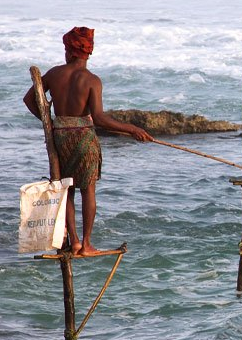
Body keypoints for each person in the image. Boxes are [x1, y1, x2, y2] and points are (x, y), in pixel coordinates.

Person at [23, 26, 154, 256]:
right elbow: (100, 118)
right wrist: (131, 129)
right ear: (87, 53)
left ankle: (73, 241)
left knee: (68, 189)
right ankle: (87, 244)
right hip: (84, 136)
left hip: (60, 135)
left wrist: (49, 122)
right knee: (88, 190)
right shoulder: (92, 80)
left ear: (71, 52)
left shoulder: (55, 74)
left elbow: (29, 99)